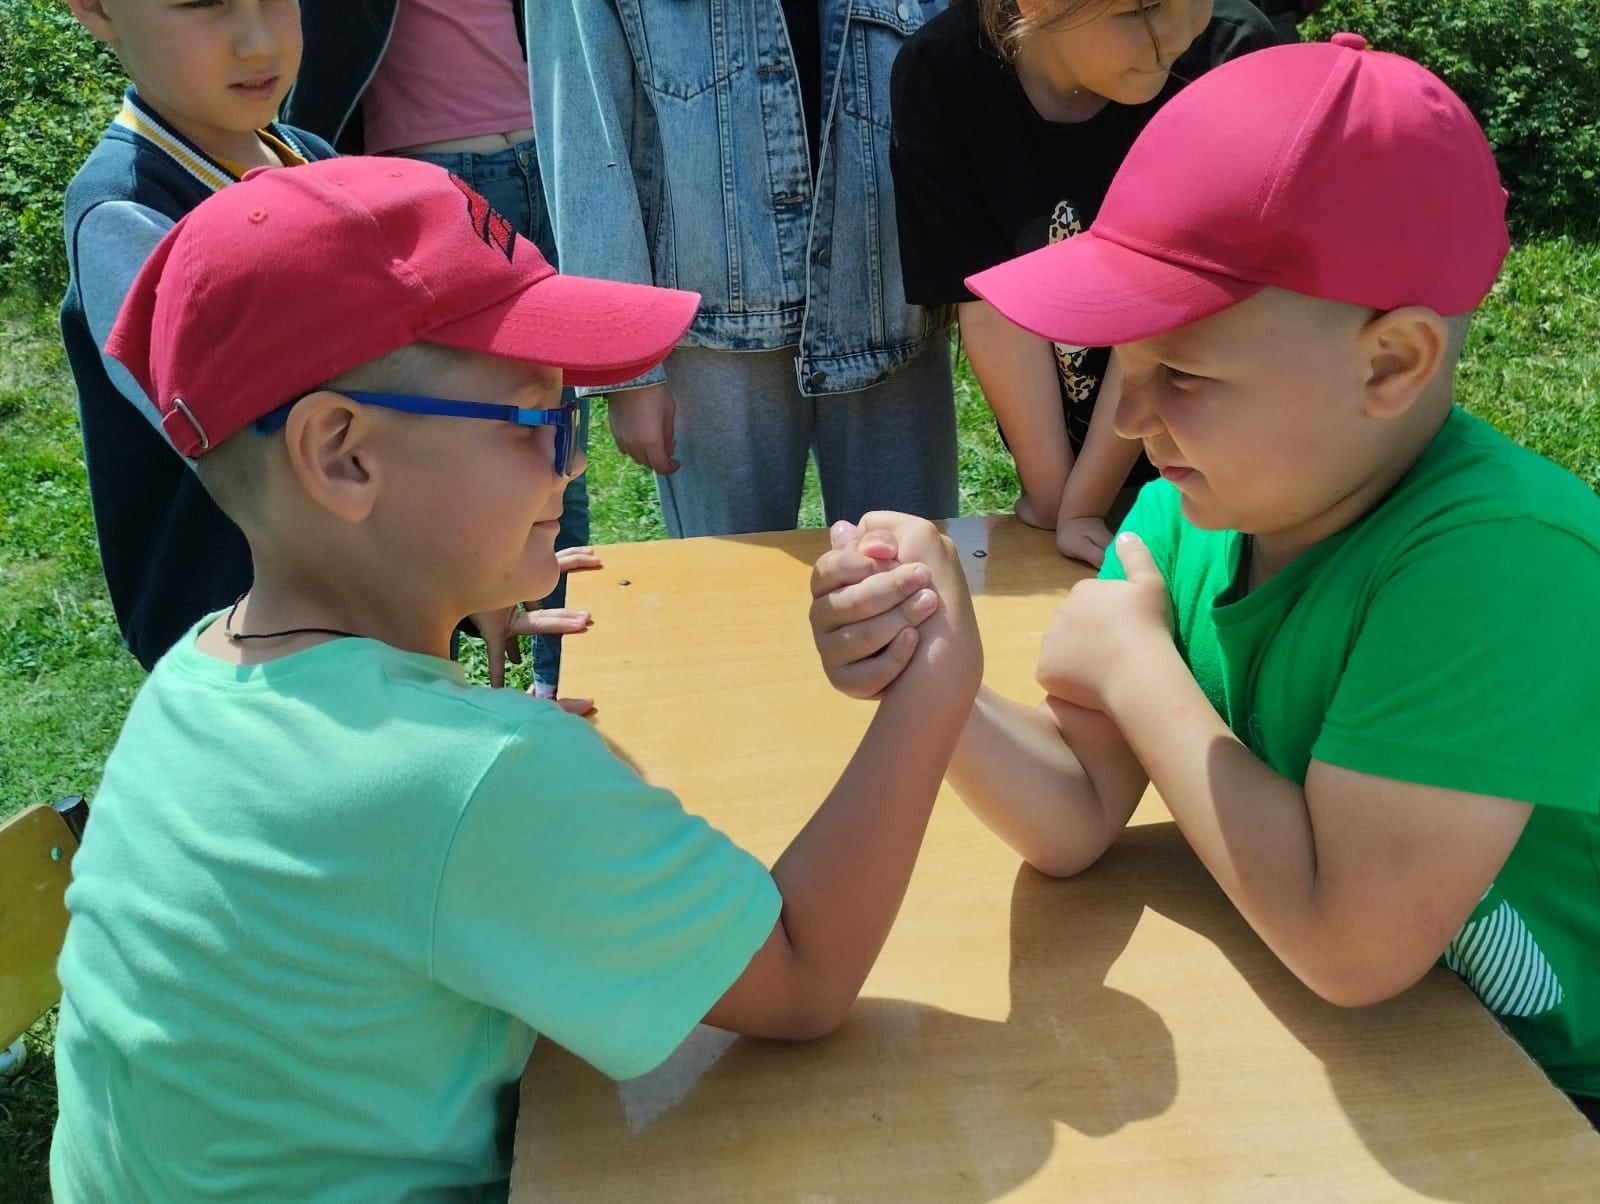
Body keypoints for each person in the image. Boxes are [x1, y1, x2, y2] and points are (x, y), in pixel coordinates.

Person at [50, 157, 984, 1199]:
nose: (575, 464)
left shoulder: (192, 679)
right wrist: (935, 680)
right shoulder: (472, 777)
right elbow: (806, 974)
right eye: (540, 420)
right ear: (342, 456)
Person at [817, 35, 1600, 1121]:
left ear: (1391, 363)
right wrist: (933, 666)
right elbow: (1082, 812)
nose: (1130, 420)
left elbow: (1347, 942)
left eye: (1180, 371)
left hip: (1551, 1105)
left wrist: (1138, 665)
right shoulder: (1196, 507)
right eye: (1123, 366)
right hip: (1380, 1079)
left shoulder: (1500, 562)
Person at [530, 0, 960, 538]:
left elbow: (958, 46)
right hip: (711, 321)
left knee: (914, 588)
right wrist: (626, 365)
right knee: (723, 602)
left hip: (888, 294)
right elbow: (584, 116)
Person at [890, 0, 1279, 564]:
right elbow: (988, 299)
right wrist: (1057, 498)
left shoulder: (1230, 54)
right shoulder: (941, 72)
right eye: (1142, 10)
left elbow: (1172, 299)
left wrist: (1081, 503)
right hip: (1072, 461)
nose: (1176, 35)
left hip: (1227, 471)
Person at [287, 0, 592, 699]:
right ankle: (437, 686)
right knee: (441, 441)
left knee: (554, 428)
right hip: (430, 176)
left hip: (545, 153)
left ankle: (559, 679)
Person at [59, 0, 334, 669]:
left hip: (368, 610)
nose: (258, 41)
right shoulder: (129, 214)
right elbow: (257, 461)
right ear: (96, 9)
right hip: (251, 652)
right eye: (202, 4)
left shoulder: (311, 158)